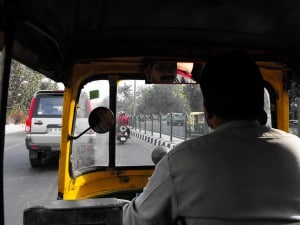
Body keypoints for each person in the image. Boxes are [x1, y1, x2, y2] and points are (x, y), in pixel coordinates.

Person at [123, 50, 300, 225]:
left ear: (207, 112)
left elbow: (134, 220)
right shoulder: (296, 148)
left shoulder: (180, 160)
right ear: (260, 104)